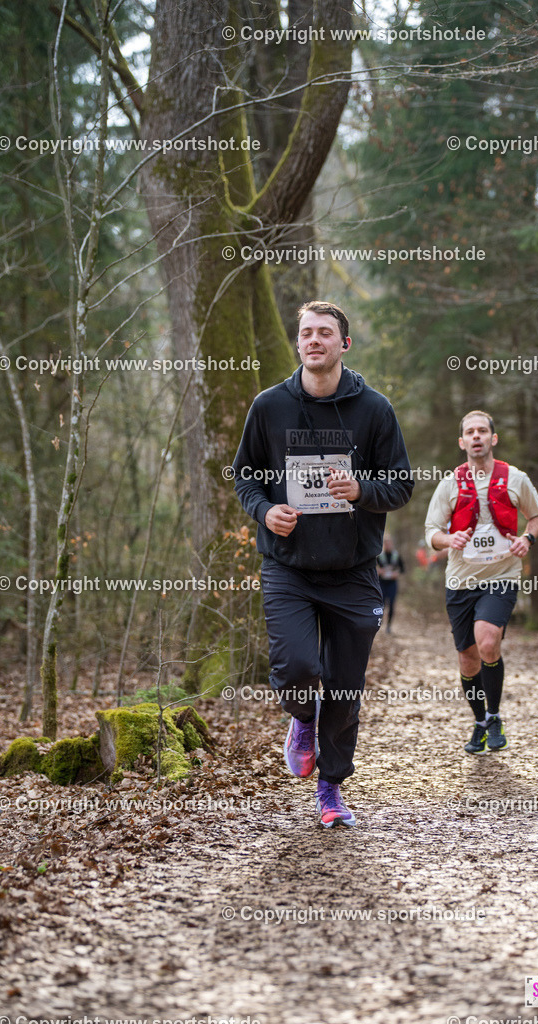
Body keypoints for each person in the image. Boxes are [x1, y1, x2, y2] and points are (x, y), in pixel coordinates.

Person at [233, 300, 414, 826]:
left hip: (354, 569)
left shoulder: (375, 410)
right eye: (306, 333)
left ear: (344, 344)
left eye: (325, 333)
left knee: (343, 685)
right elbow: (244, 476)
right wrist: (265, 512)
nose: (314, 340)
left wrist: (361, 489)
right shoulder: (269, 406)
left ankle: (331, 790)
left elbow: (400, 486)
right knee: (296, 669)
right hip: (287, 565)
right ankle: (301, 721)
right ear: (298, 343)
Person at [424, 410, 538, 754]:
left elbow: (537, 515)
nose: (476, 436)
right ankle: (479, 722)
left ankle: (494, 716)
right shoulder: (449, 484)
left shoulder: (515, 478)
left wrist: (528, 539)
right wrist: (450, 541)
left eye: (482, 431)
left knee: (488, 641)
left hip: (502, 576)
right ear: (462, 442)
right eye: (469, 432)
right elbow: (431, 532)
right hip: (461, 581)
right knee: (468, 659)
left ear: (493, 439)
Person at [376, 534, 405, 632]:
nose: (388, 545)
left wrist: (397, 573)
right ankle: (379, 624)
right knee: (381, 605)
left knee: (392, 604)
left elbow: (402, 569)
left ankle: (389, 626)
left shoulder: (396, 555)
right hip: (382, 583)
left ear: (392, 544)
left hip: (392, 583)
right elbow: (373, 569)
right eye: (386, 544)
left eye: (389, 544)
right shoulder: (379, 556)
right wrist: (379, 571)